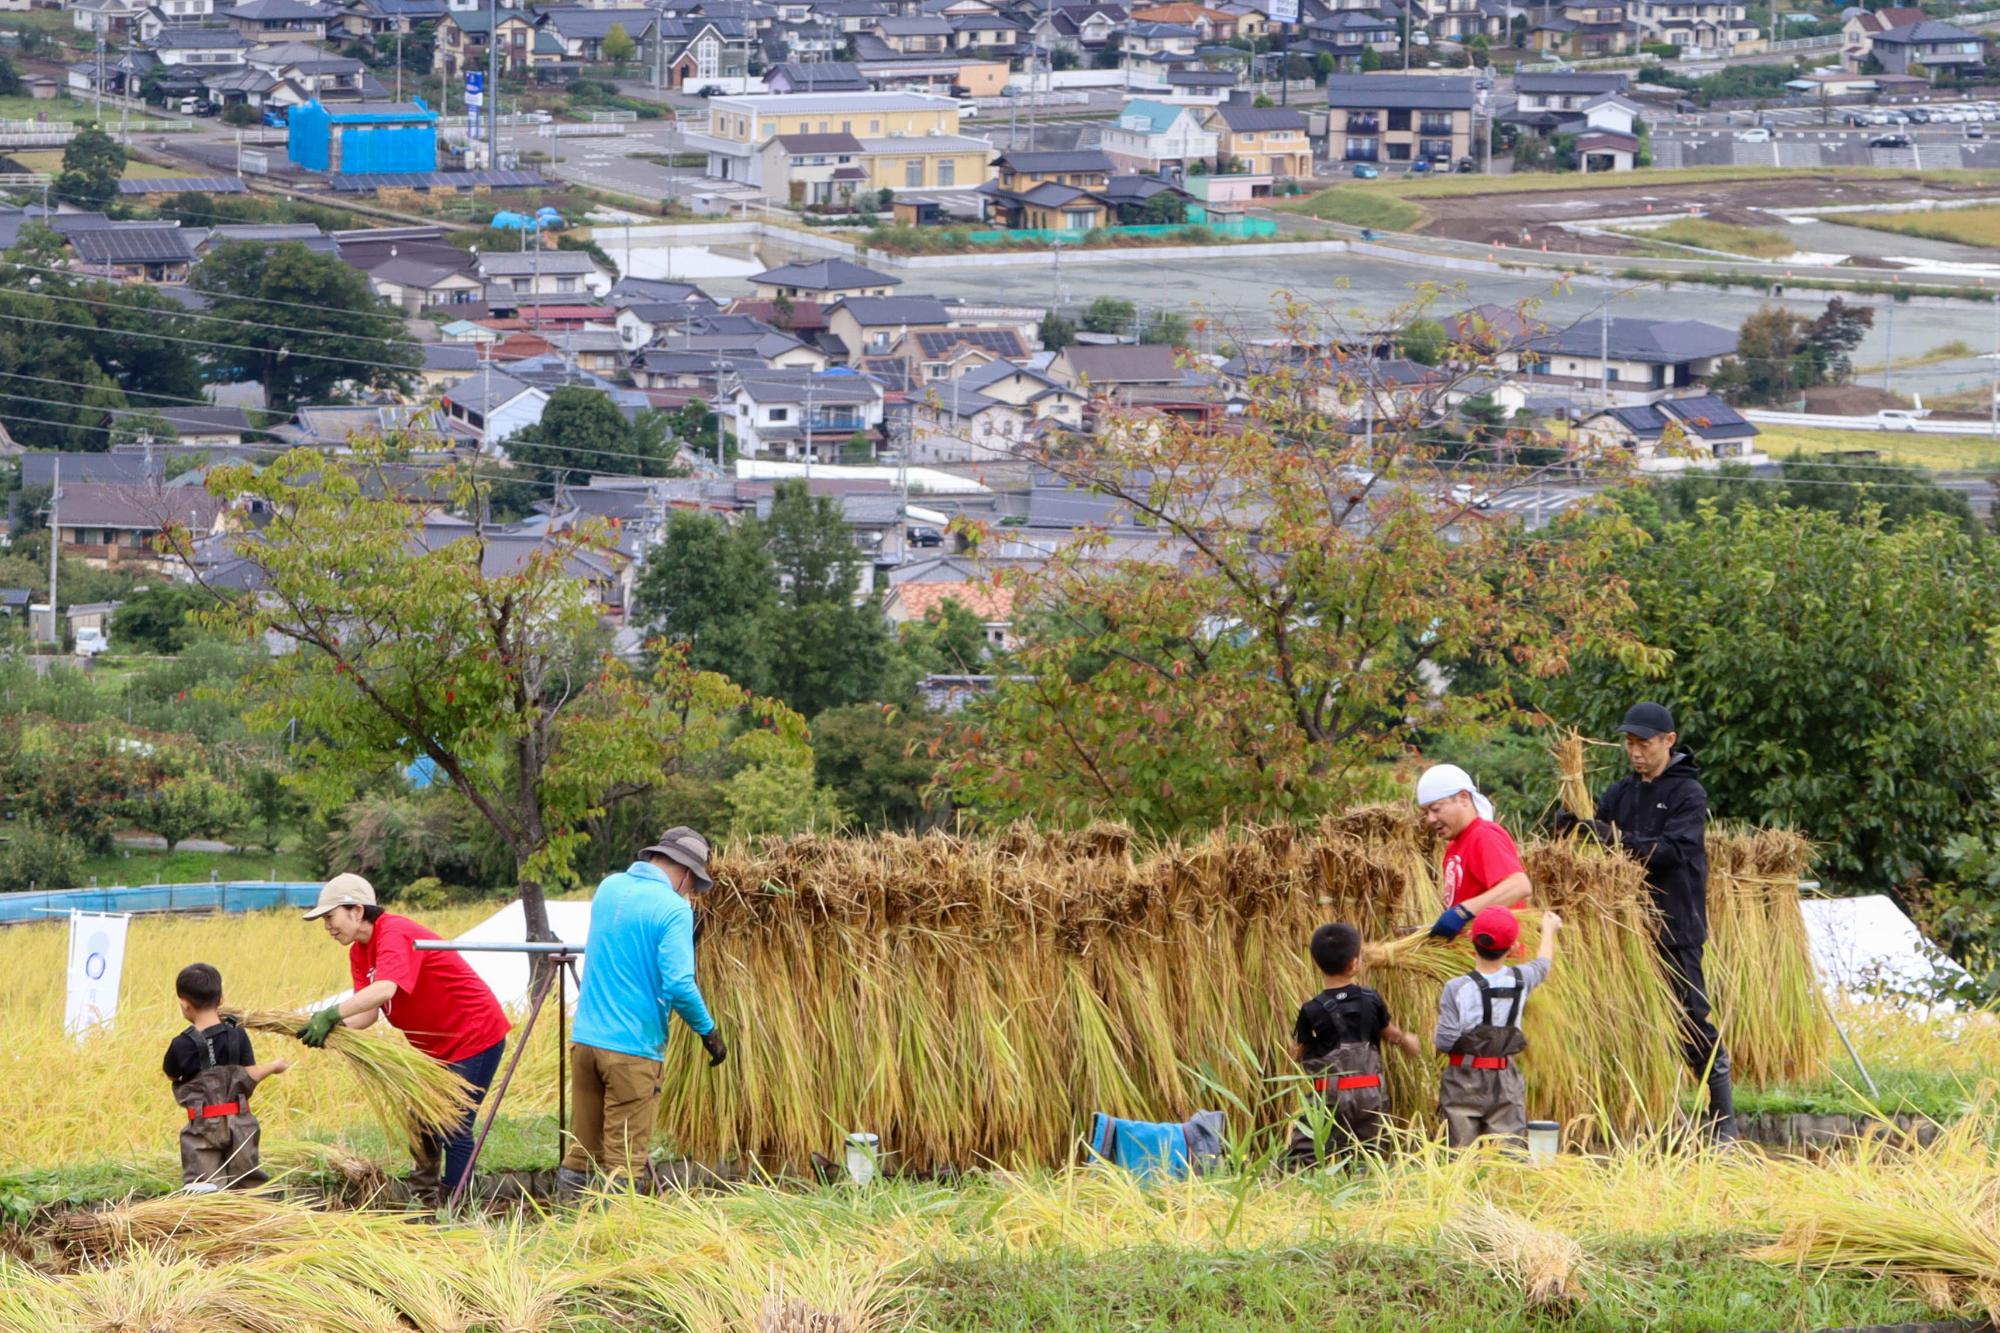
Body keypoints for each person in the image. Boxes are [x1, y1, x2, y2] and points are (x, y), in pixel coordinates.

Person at [1557, 701, 1736, 1139]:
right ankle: (1648, 1116)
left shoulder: (1687, 794)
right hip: (1622, 930)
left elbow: (1672, 853)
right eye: (1630, 744)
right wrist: (1571, 826)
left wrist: (1614, 838)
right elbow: (1591, 837)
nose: (1636, 753)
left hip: (1674, 924)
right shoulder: (1622, 792)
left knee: (1689, 1017)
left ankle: (1723, 1119)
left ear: (1669, 741)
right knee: (1628, 1020)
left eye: (1645, 744)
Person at [298, 874, 511, 1207]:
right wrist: (330, 1031)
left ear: (356, 910)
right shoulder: (359, 952)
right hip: (436, 1048)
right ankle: (424, 1198)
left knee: (454, 1125)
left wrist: (331, 1013)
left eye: (329, 916)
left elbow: (385, 989)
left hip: (474, 1035)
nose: (327, 926)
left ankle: (455, 1207)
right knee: (422, 1120)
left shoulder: (393, 932)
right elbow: (367, 1014)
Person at [557, 827, 728, 1196]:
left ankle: (566, 1232)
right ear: (684, 871)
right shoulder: (674, 909)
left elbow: (627, 944)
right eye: (692, 883)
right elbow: (679, 985)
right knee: (625, 1163)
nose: (690, 892)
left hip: (585, 1043)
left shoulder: (609, 888)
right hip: (631, 1053)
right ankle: (616, 1243)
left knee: (582, 1154)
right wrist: (708, 1032)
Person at [1286, 922, 1422, 1168]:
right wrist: (1406, 1041)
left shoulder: (1311, 1009)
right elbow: (1390, 1034)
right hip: (1371, 1095)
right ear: (1355, 963)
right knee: (1371, 1155)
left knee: (1305, 1155)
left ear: (1316, 963)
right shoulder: (1371, 999)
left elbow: (1300, 1051)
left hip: (1329, 1097)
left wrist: (1296, 1050)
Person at [1432, 905, 1561, 1149]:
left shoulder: (1456, 987)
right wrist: (1548, 931)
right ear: (1513, 948)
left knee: (1460, 1157)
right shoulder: (1522, 979)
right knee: (1508, 1156)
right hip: (1505, 1079)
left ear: (1471, 939)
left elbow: (1445, 1042)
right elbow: (1543, 965)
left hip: (1463, 1080)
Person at [164, 962, 288, 1192]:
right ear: (221, 998)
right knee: (246, 1182)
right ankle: (264, 1217)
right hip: (240, 1122)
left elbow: (171, 1074)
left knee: (204, 1187)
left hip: (202, 1126)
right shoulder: (237, 1033)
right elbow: (250, 1073)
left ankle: (213, 1221)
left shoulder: (181, 1045)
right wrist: (273, 1066)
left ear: (184, 1004)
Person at [1416, 763, 1533, 940]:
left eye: (1436, 809)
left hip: (1495, 961)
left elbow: (1519, 886)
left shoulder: (1483, 836)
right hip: (1469, 957)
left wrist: (1462, 913)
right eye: (1426, 812)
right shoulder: (1454, 846)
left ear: (1463, 798)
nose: (1430, 819)